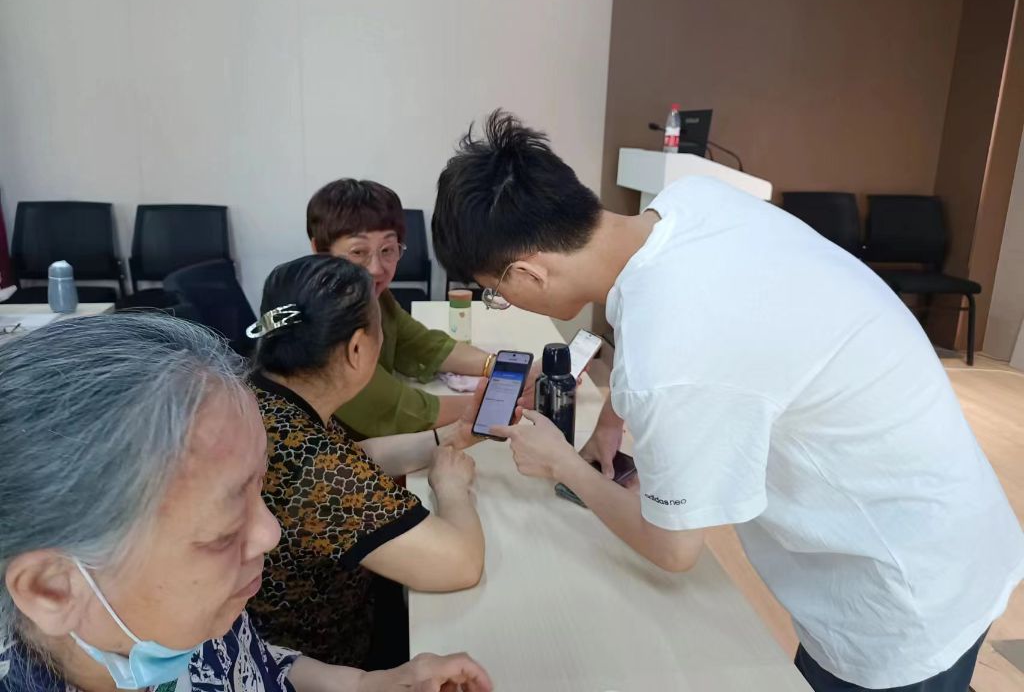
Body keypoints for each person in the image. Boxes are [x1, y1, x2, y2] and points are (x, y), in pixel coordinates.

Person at [429, 109, 1024, 692]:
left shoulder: (672, 353)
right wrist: (610, 423)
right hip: (949, 515)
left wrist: (562, 463)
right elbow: (658, 325)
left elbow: (672, 548)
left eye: (496, 294)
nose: (506, 303)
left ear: (528, 274)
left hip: (903, 593)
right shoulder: (691, 204)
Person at [0, 313, 491, 692]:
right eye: (222, 533)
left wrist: (365, 684)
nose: (270, 534)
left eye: (260, 485)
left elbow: (243, 660)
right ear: (52, 588)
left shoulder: (176, 616)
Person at [246, 255, 485, 670]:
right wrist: (451, 487)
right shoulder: (316, 468)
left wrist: (448, 438)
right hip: (323, 658)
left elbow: (358, 456)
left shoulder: (262, 395)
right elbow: (461, 564)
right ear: (357, 349)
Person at [306, 178, 538, 438]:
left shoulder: (374, 297)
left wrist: (506, 370)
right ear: (319, 250)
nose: (376, 268)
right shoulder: (321, 327)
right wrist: (503, 401)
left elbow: (425, 345)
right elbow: (400, 410)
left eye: (387, 250)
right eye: (358, 252)